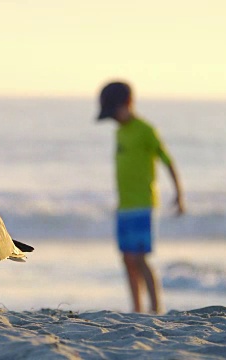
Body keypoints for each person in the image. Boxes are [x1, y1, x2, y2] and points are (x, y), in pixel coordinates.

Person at [96, 81, 184, 314]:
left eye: (114, 112)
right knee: (127, 258)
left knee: (140, 258)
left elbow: (167, 160)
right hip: (124, 205)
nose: (113, 119)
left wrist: (179, 194)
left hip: (143, 204)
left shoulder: (145, 130)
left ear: (127, 104)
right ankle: (136, 307)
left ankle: (156, 308)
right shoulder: (120, 133)